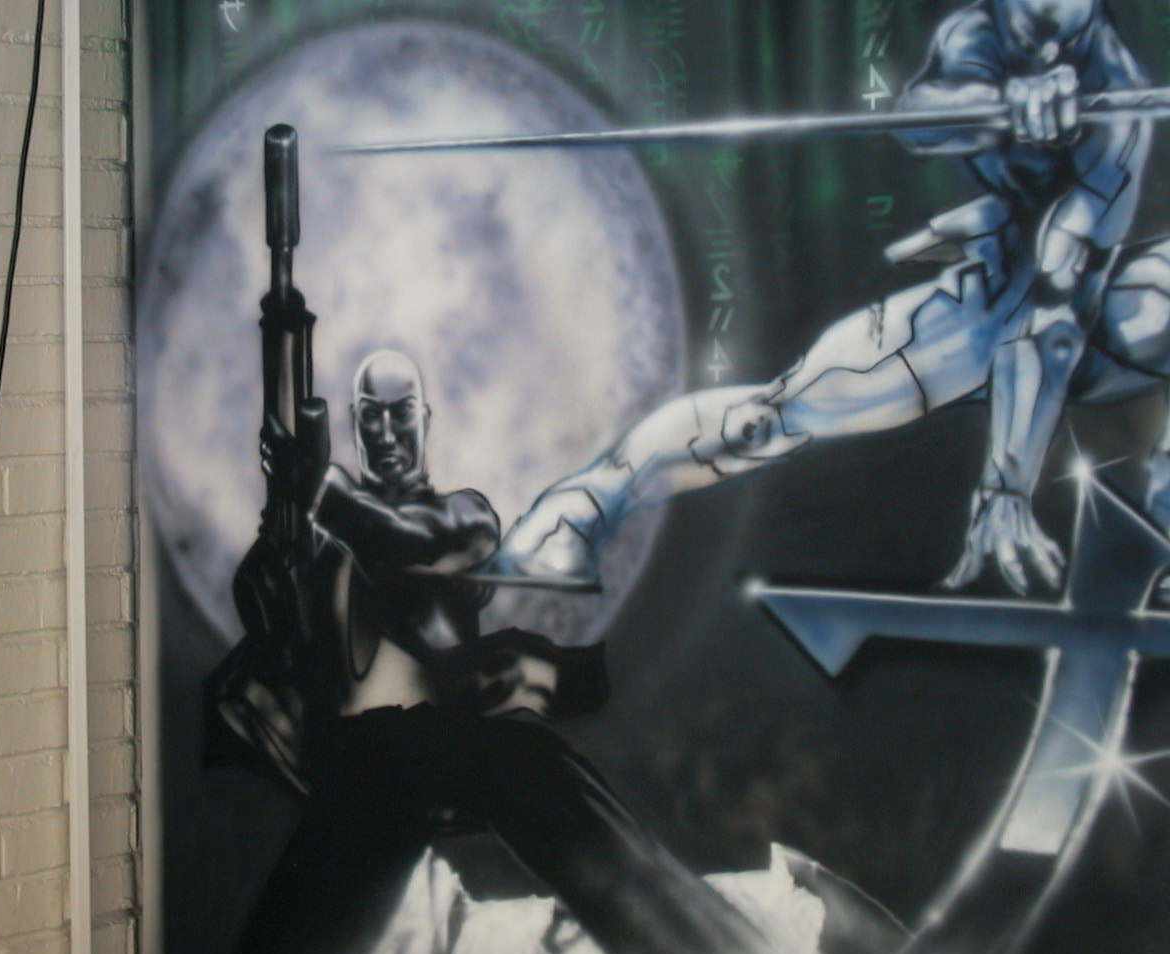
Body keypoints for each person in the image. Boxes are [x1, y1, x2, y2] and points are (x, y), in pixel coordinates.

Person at [210, 349, 833, 954]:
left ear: (425, 419)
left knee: (554, 792)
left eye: (400, 414)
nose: (386, 432)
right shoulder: (323, 545)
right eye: (371, 417)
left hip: (458, 745)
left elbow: (414, 546)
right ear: (355, 425)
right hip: (362, 772)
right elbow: (271, 620)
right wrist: (283, 537)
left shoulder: (460, 516)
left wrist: (320, 491)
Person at [492, 0, 1170, 596]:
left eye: (1052, 33)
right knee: (773, 418)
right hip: (992, 302)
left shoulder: (1117, 111)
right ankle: (583, 507)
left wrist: (1007, 486)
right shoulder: (980, 33)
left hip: (1100, 316)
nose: (1036, 43)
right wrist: (995, 108)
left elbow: (1057, 316)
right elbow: (920, 120)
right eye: (1024, 27)